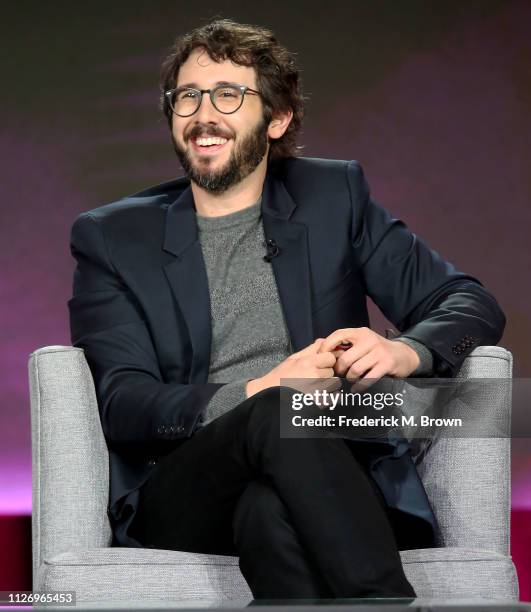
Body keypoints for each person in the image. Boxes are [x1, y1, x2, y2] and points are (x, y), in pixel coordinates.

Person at [68, 18, 506, 600]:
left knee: (267, 514)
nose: (203, 114)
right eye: (188, 97)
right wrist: (263, 388)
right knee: (279, 410)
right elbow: (125, 403)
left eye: (229, 95)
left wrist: (403, 350)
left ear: (276, 119)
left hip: (334, 476)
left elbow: (469, 301)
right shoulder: (113, 237)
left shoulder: (333, 197)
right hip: (184, 489)